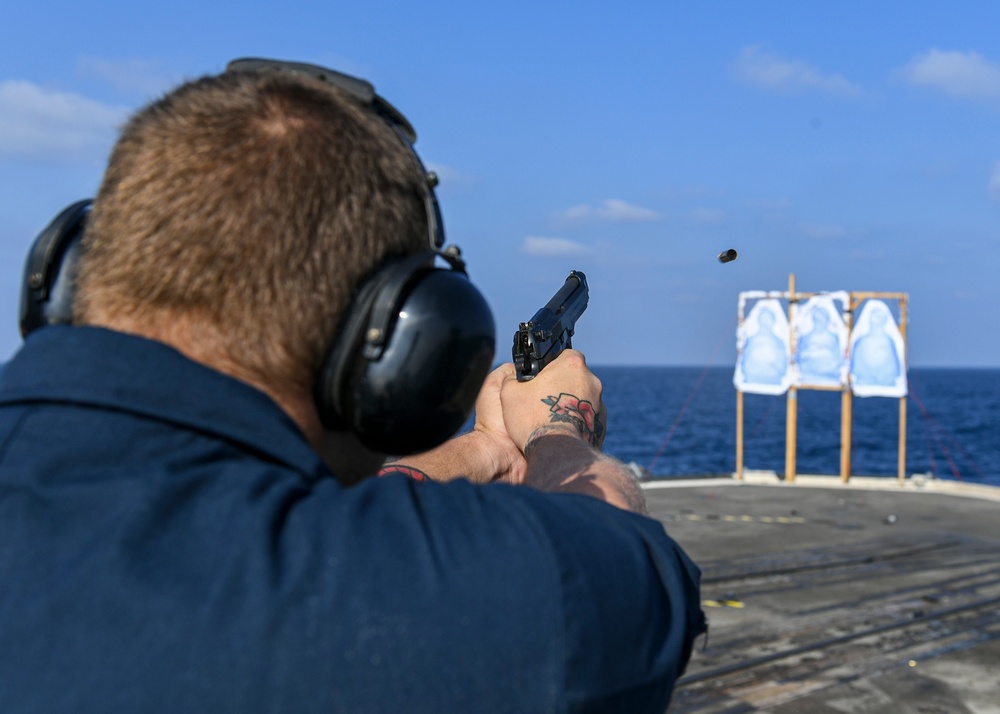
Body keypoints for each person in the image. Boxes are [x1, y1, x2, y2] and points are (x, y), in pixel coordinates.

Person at [0, 59, 705, 713]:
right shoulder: (331, 596)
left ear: (67, 269)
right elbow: (633, 576)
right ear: (403, 344)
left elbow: (272, 507)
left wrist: (488, 448)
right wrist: (559, 432)